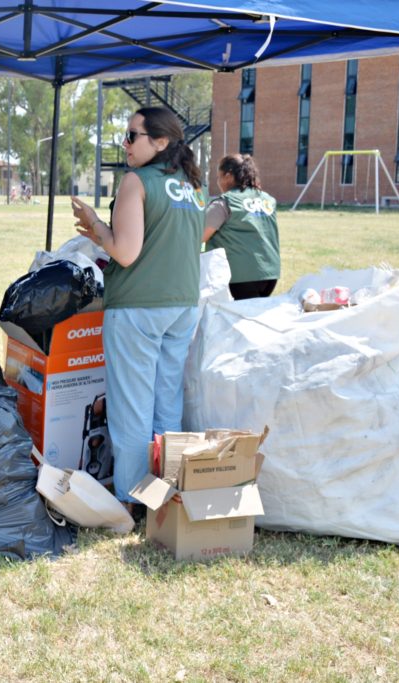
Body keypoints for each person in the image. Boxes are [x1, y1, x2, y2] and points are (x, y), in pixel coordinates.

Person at [70, 107, 205, 519]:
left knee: (131, 408)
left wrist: (95, 224)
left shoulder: (137, 181)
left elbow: (126, 253)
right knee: (166, 404)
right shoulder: (191, 185)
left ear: (160, 141)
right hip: (182, 304)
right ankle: (165, 494)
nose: (125, 144)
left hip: (138, 306)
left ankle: (132, 501)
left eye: (132, 135)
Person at [203, 154, 281, 300]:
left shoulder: (224, 203)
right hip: (270, 274)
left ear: (228, 176)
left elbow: (199, 237)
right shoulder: (268, 200)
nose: (218, 182)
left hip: (241, 277)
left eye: (219, 177)